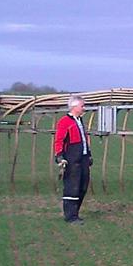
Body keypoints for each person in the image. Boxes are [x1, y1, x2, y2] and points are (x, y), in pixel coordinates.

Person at [54, 96, 92, 224]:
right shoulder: (65, 122)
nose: (84, 108)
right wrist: (60, 156)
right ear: (75, 107)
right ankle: (70, 216)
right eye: (82, 106)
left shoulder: (80, 121)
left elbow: (84, 139)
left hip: (83, 159)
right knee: (72, 188)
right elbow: (59, 140)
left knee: (83, 187)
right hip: (72, 159)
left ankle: (75, 213)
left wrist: (89, 155)